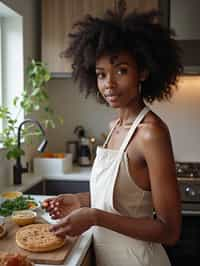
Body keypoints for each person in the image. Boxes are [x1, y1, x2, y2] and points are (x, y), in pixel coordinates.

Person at [43, 7, 183, 266]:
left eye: (121, 70)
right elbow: (123, 202)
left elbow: (170, 231)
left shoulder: (151, 133)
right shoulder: (115, 126)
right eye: (101, 74)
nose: (109, 83)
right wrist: (80, 201)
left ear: (142, 72)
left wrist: (95, 216)